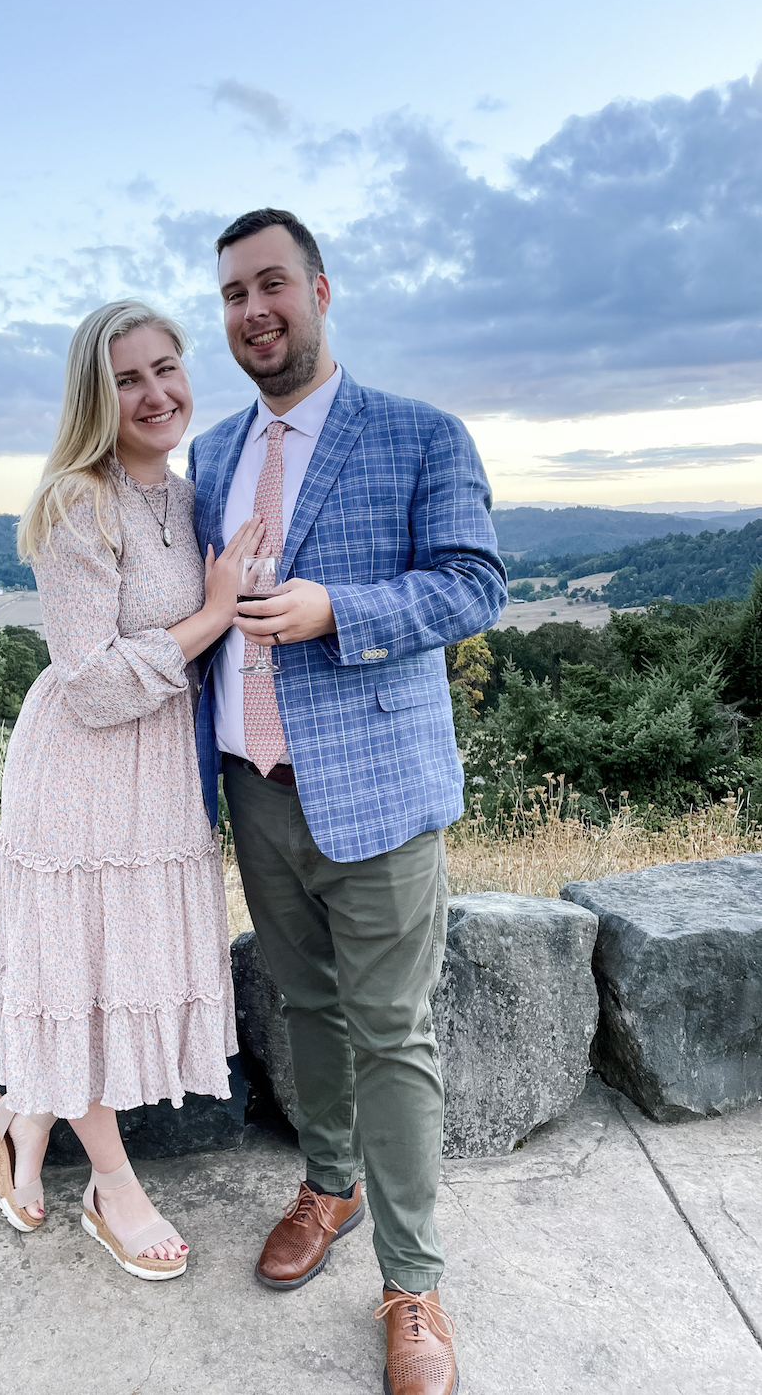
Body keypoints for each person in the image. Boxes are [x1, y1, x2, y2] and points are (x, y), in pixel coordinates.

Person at [187, 210, 506, 1394]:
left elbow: (474, 586)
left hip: (376, 794)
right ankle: (329, 1185)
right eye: (230, 294)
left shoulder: (421, 436)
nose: (252, 310)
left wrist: (339, 613)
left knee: (393, 1034)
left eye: (271, 284)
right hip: (251, 790)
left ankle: (411, 1282)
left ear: (319, 291)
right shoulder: (212, 454)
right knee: (305, 1011)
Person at [0, 300, 263, 1281]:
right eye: (127, 377)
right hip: (86, 771)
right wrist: (213, 616)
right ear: (95, 394)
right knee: (89, 973)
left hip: (157, 771)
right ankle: (112, 1185)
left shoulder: (183, 497)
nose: (154, 392)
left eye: (166, 367)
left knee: (108, 964)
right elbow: (90, 681)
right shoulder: (74, 502)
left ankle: (12, 1115)